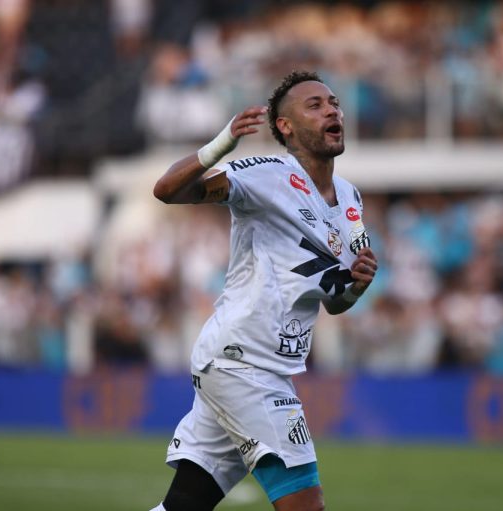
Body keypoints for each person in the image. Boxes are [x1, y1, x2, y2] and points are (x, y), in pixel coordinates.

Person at [149, 70, 378, 511]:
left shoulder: (350, 198)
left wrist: (356, 287)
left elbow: (334, 303)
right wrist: (220, 145)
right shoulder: (268, 174)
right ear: (285, 126)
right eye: (315, 105)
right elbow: (167, 191)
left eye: (334, 102)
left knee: (183, 505)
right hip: (243, 363)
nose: (331, 110)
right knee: (305, 504)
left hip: (262, 365)